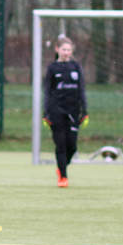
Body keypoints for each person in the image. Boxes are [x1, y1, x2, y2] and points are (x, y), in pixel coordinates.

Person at [43, 35, 88, 188]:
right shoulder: (52, 68)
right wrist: (46, 113)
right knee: (60, 145)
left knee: (72, 146)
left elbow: (81, 89)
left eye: (69, 50)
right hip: (56, 111)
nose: (66, 52)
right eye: (64, 49)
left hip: (73, 110)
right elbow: (47, 92)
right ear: (57, 50)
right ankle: (63, 177)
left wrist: (85, 110)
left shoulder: (76, 67)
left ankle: (61, 167)